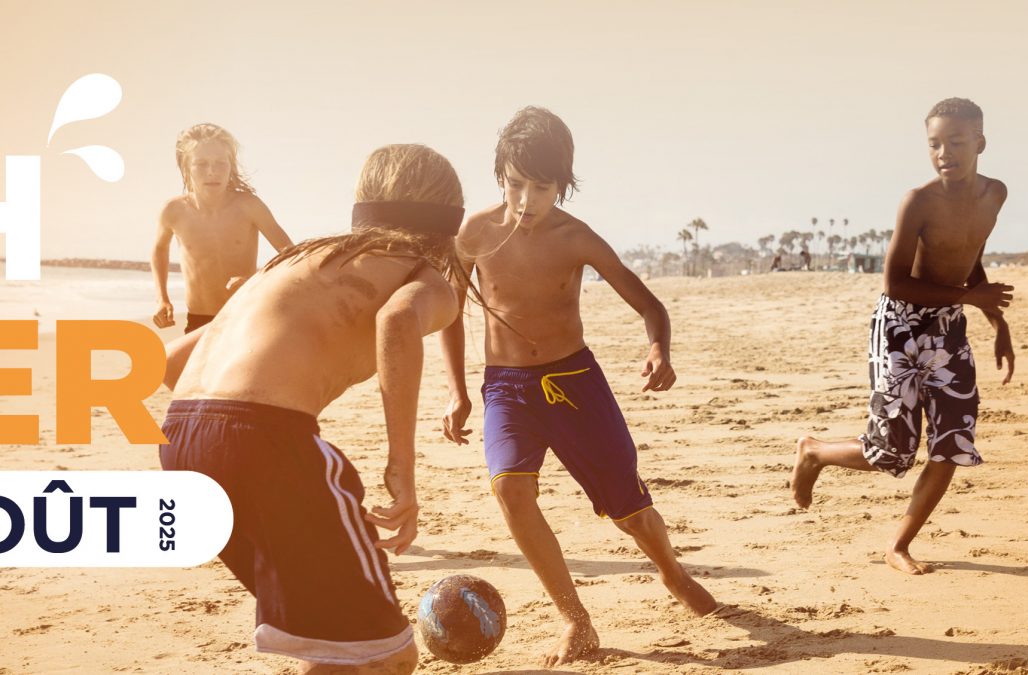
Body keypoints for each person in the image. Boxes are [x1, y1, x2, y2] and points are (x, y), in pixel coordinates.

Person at [159, 144, 469, 674]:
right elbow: (396, 323)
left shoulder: (296, 261)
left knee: (331, 643)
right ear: (451, 220)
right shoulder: (425, 274)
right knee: (389, 655)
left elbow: (170, 367)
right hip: (264, 442)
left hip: (183, 440)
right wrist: (403, 468)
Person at [440, 106, 717, 667]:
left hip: (574, 383)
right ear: (500, 176)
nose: (525, 201)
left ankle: (671, 570)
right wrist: (458, 391)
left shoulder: (577, 238)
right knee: (511, 491)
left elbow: (649, 304)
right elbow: (449, 311)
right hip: (508, 388)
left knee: (630, 511)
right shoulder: (473, 233)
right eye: (515, 184)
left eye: (540, 188)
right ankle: (574, 617)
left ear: (562, 184)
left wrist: (659, 347)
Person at [791, 98, 1016, 575]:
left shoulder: (995, 193)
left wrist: (998, 323)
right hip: (899, 325)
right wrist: (970, 298)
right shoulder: (919, 201)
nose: (943, 153)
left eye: (955, 142)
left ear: (979, 142)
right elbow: (894, 283)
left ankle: (898, 544)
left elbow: (969, 258)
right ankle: (814, 451)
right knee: (891, 450)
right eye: (934, 144)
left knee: (953, 441)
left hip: (950, 321)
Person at [151, 123, 294, 333]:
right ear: (186, 167)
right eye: (201, 164)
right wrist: (162, 299)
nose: (212, 172)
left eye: (221, 163)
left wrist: (256, 280)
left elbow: (290, 253)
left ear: (231, 167)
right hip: (199, 320)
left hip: (244, 314)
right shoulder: (174, 211)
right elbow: (159, 249)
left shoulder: (248, 206)